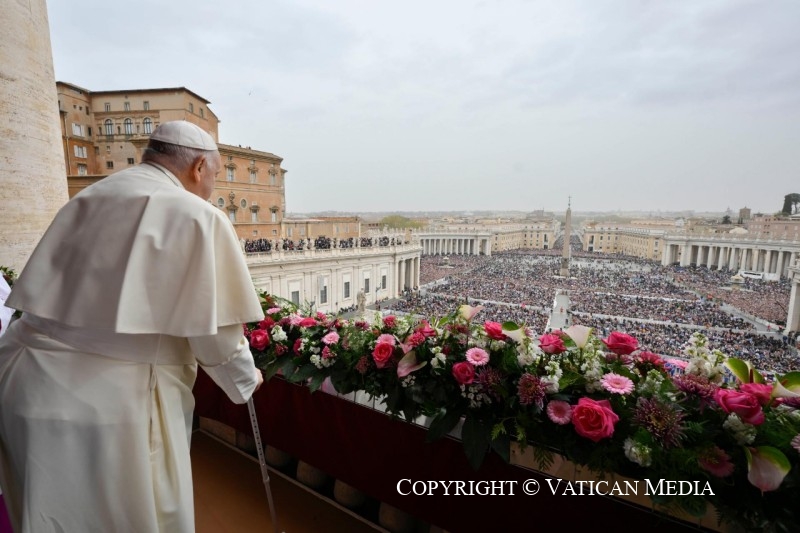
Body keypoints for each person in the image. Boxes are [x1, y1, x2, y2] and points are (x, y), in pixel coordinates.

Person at [0, 121, 265, 532]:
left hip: (25, 383)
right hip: (110, 406)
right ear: (198, 167)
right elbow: (216, 332)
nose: (212, 187)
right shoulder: (197, 215)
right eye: (215, 176)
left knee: (47, 512)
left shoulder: (89, 196)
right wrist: (245, 379)